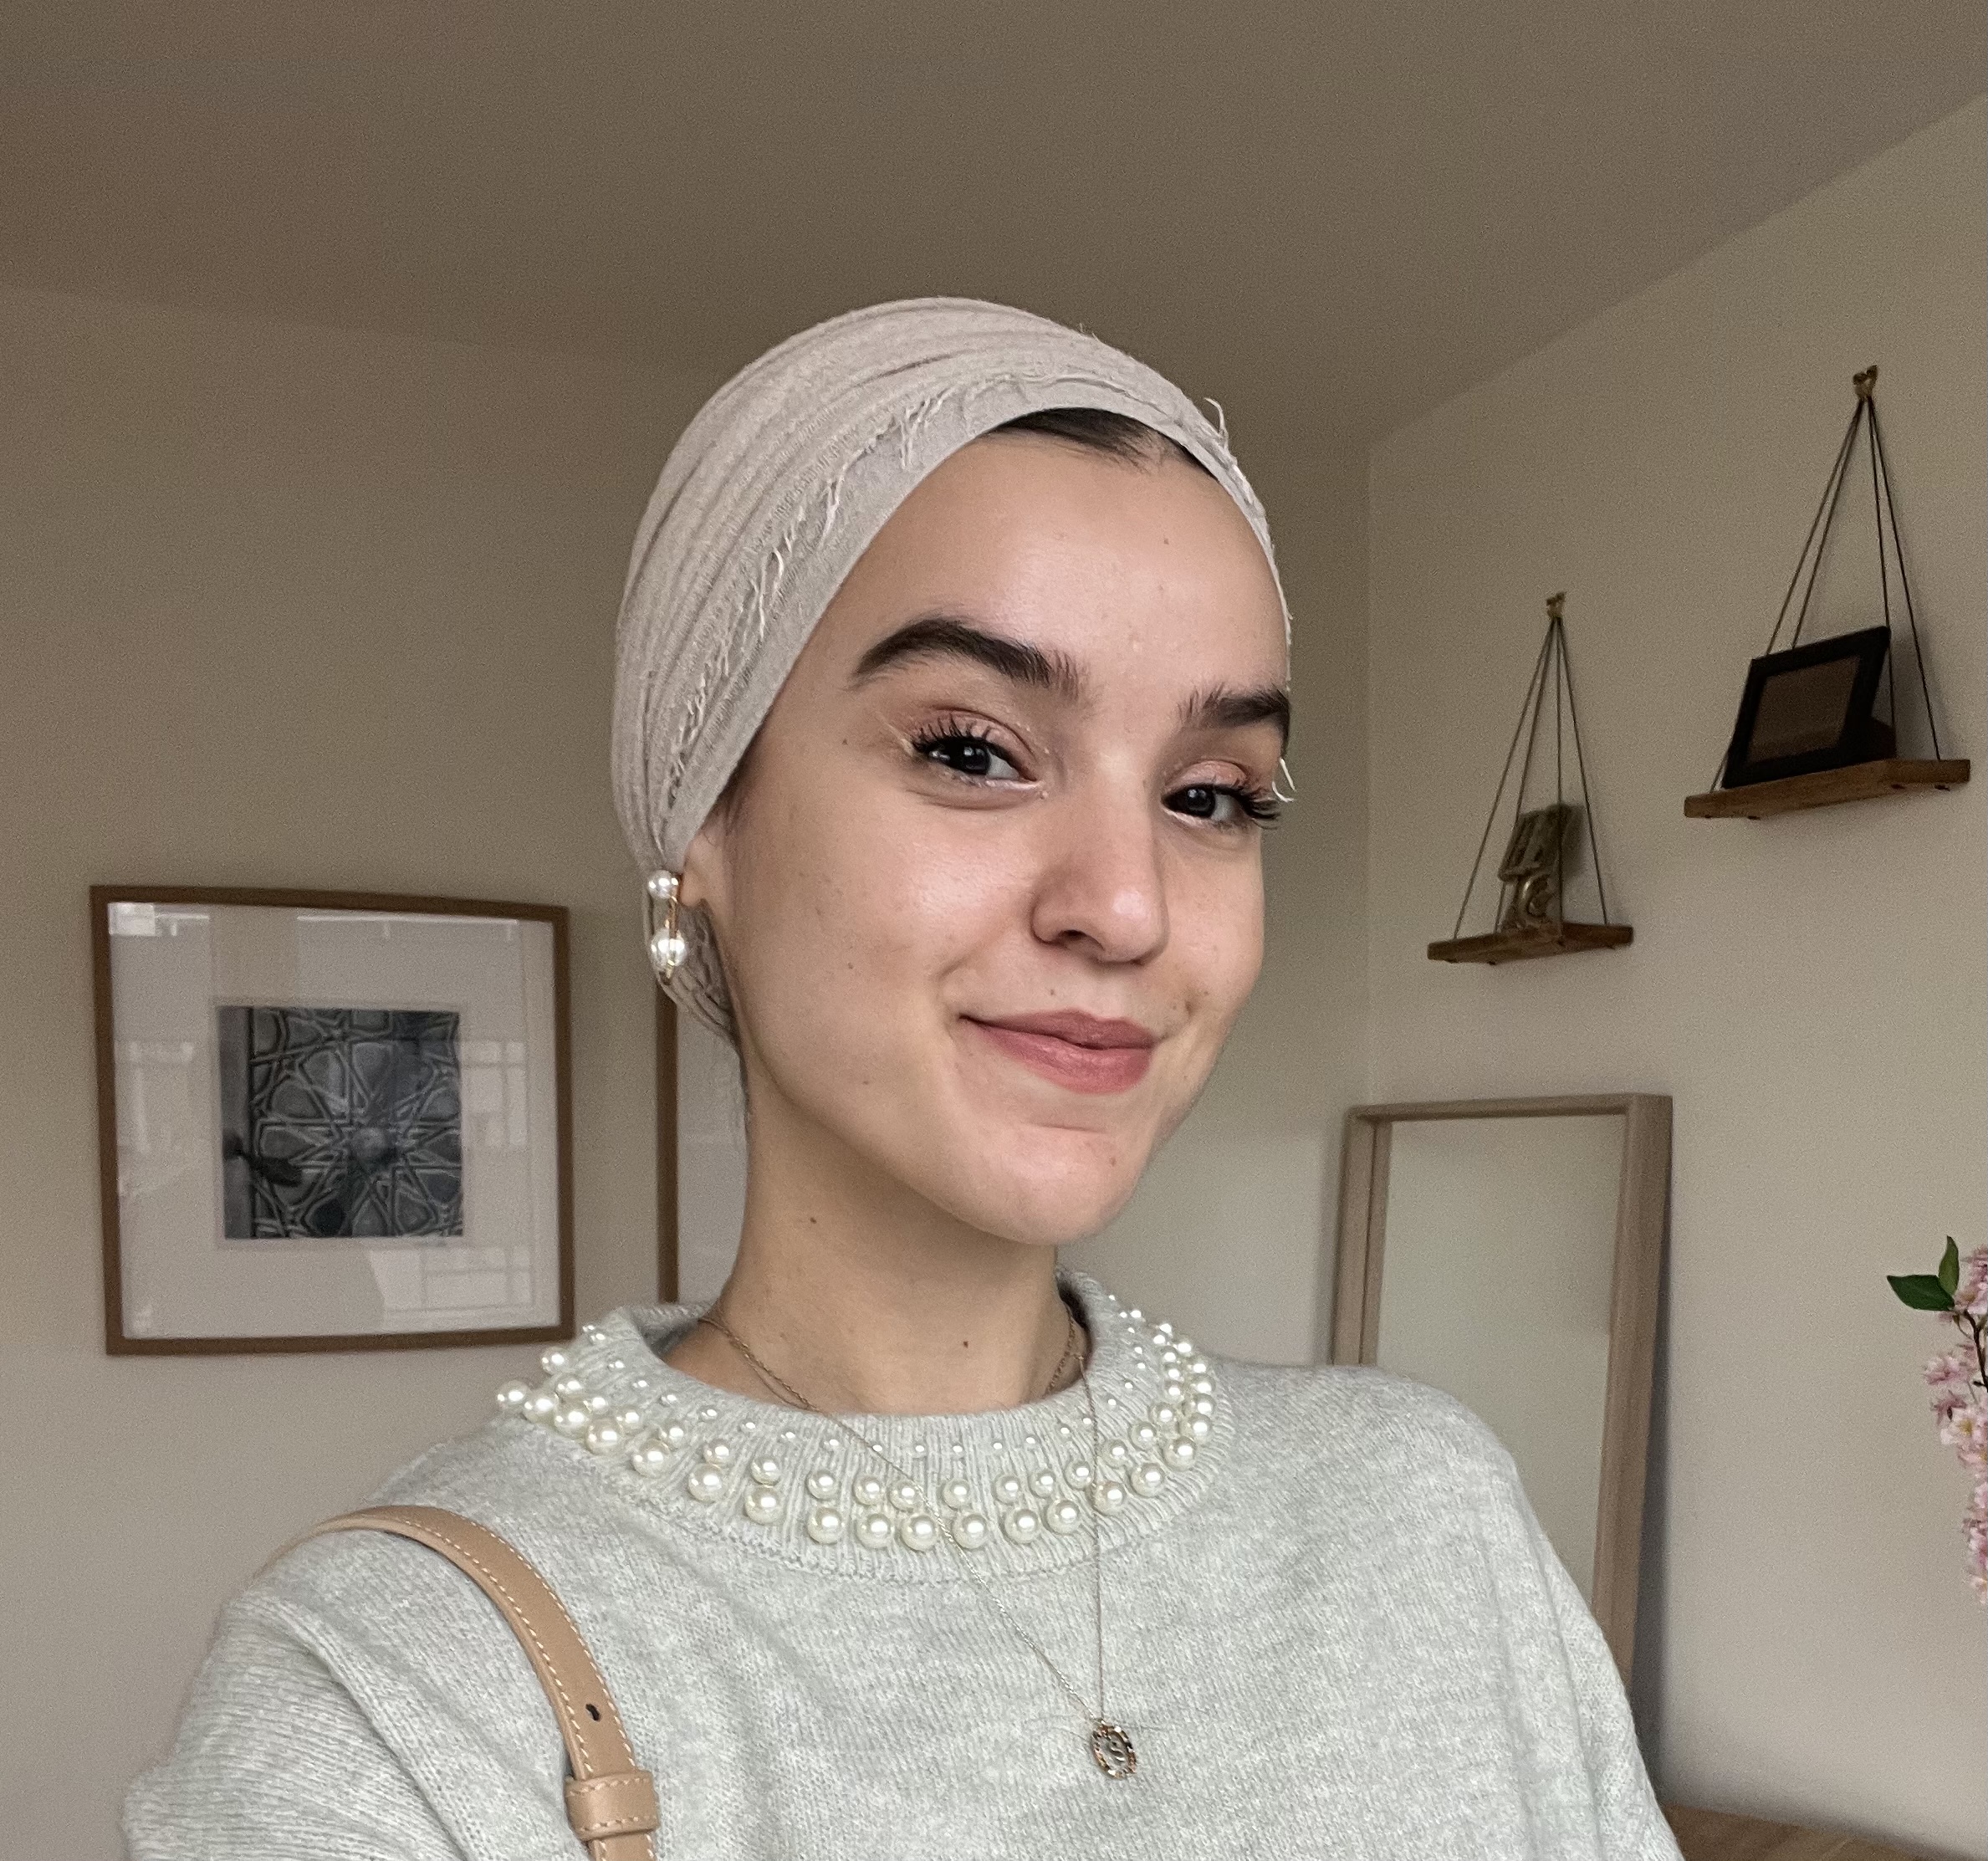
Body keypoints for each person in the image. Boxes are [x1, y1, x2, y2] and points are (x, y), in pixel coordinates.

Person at [125, 299, 1679, 1858]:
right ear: (703, 824)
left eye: (1210, 793)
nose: (1127, 904)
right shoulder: (390, 1698)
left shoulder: (1424, 1510)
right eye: (972, 751)